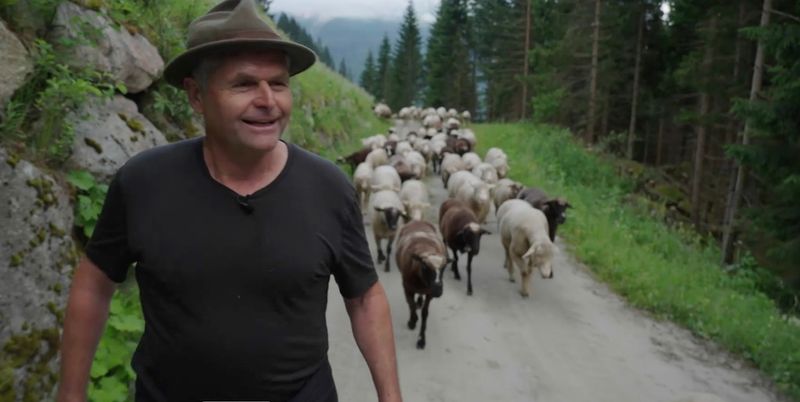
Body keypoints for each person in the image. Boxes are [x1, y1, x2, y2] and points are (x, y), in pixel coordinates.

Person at [56, 0, 402, 401]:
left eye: (278, 83)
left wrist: (390, 398)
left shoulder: (327, 187)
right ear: (196, 96)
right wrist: (70, 394)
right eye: (243, 83)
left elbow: (363, 296)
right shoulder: (144, 182)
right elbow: (95, 281)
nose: (267, 100)